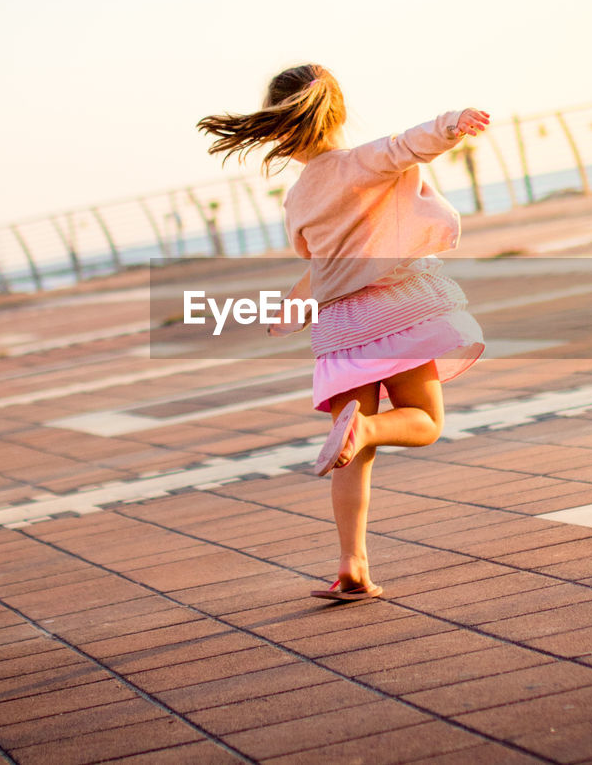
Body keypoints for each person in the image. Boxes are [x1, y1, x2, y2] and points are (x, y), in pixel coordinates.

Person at [197, 64, 488, 601]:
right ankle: (369, 430)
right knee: (423, 421)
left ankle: (351, 564)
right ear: (340, 113)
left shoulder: (299, 197)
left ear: (282, 130)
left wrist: (289, 306)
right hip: (397, 311)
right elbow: (410, 145)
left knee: (348, 457)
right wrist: (454, 122)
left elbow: (319, 264)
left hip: (340, 329)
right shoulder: (363, 162)